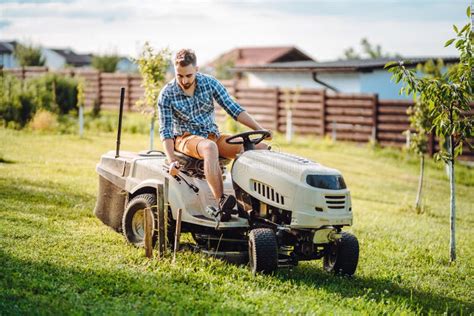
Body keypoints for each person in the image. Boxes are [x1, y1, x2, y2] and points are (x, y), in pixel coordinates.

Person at [157, 49, 271, 221]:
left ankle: (259, 204)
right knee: (209, 148)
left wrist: (259, 128)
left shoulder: (209, 83)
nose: (184, 80)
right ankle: (221, 203)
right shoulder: (167, 94)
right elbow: (165, 131)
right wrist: (171, 160)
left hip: (212, 135)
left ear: (196, 69)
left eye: (188, 75)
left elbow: (234, 109)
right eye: (179, 76)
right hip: (185, 138)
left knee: (261, 148)